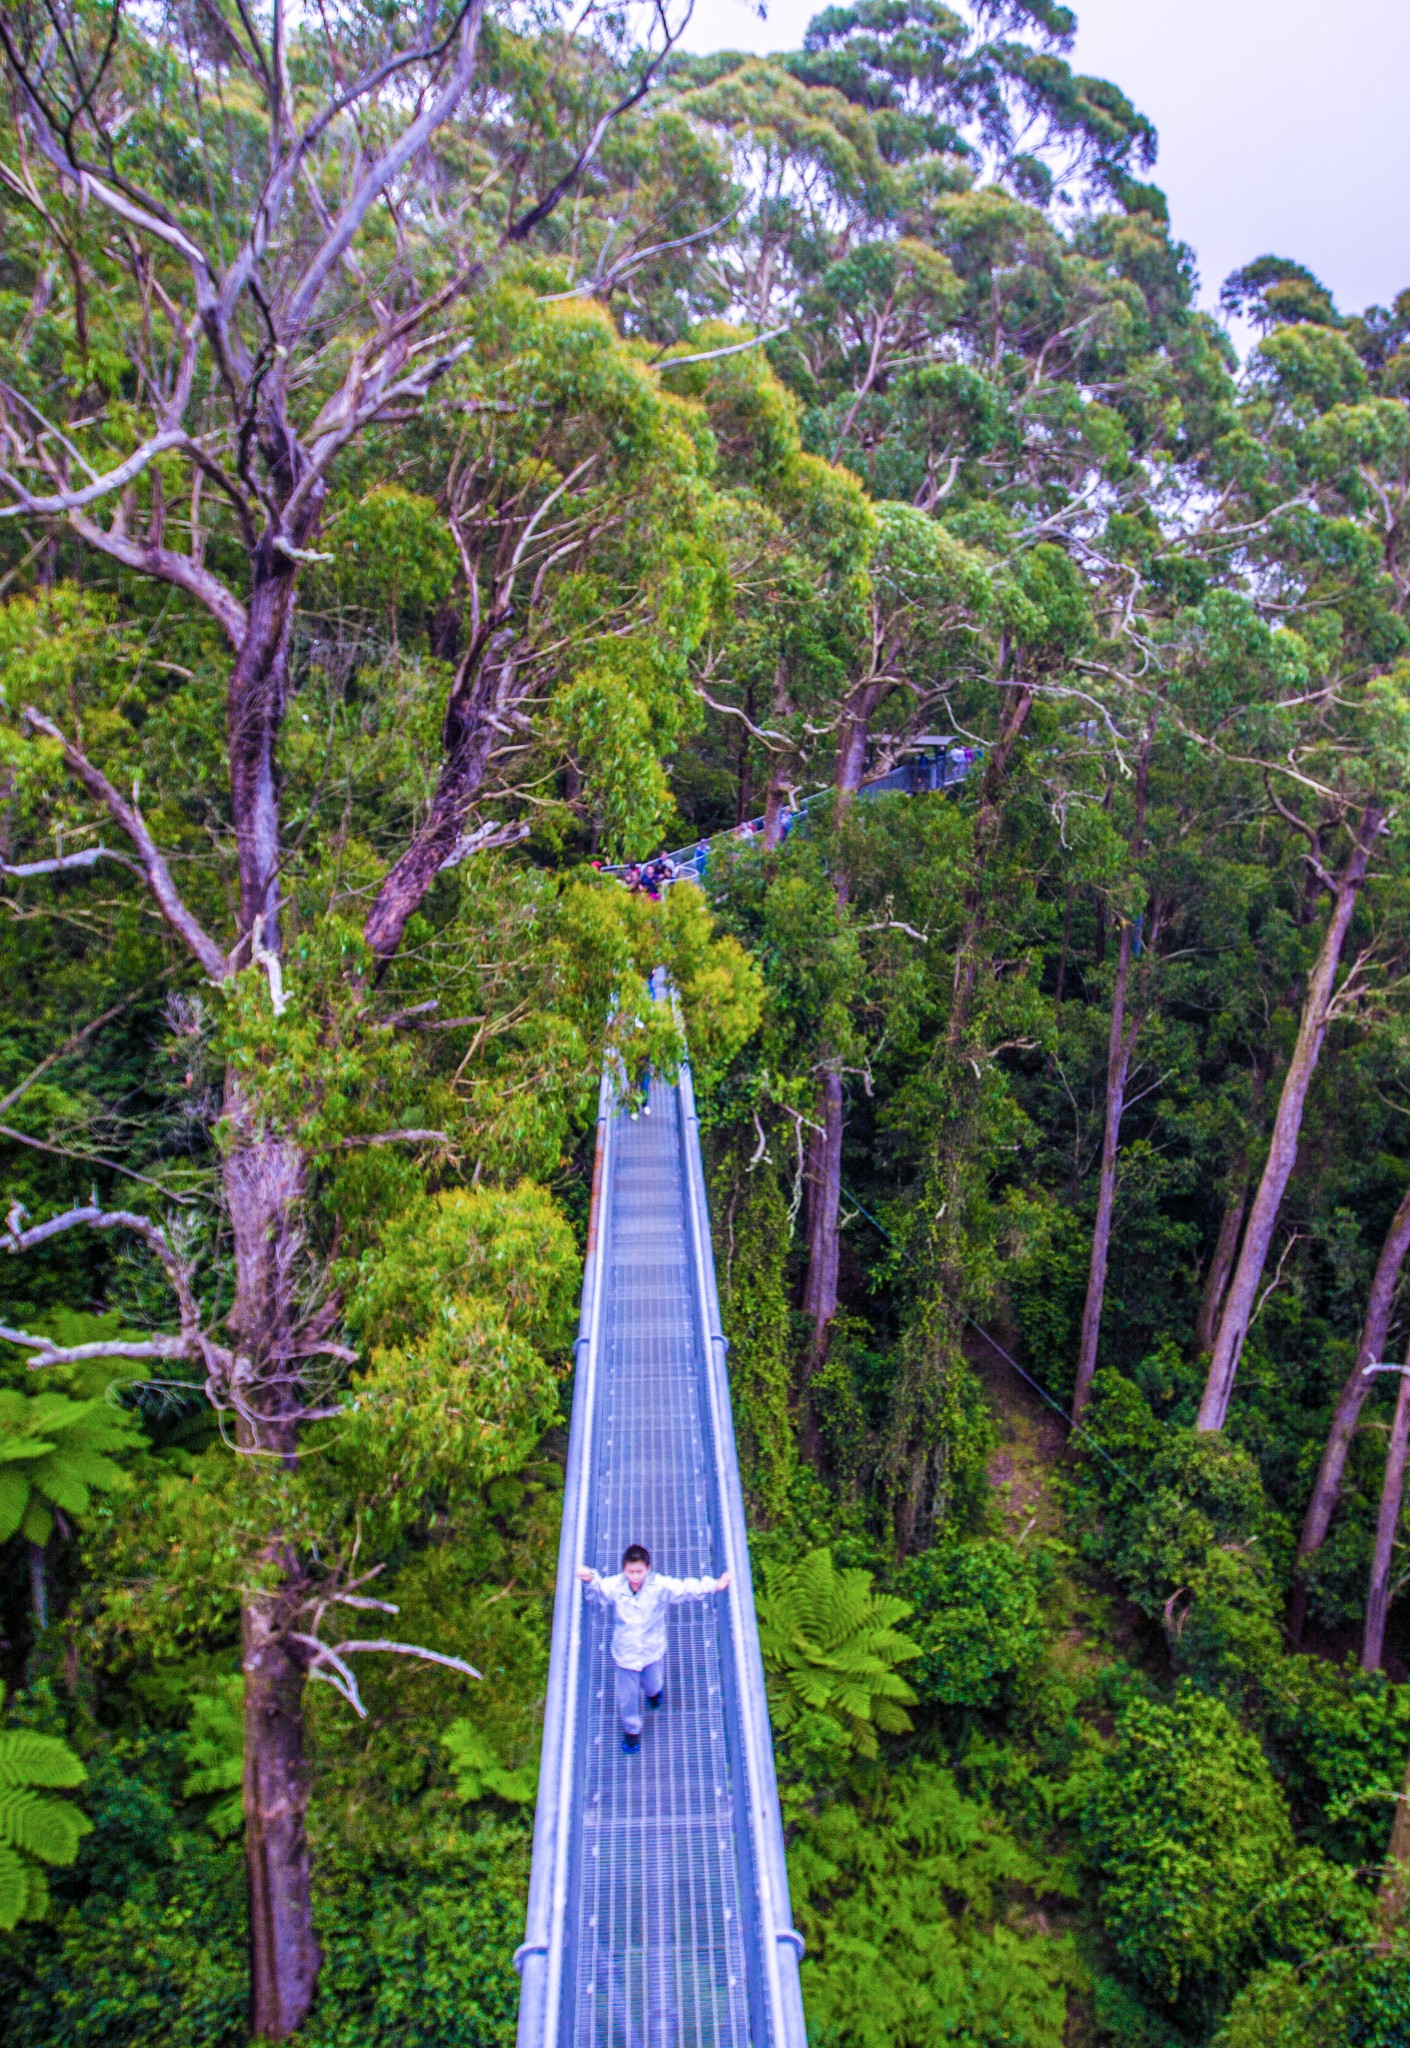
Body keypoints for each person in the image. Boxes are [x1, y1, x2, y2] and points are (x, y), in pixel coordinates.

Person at [577, 1544, 731, 1753]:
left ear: (648, 1569)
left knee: (654, 1682)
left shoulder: (659, 1586)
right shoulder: (615, 1586)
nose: (635, 1576)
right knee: (628, 1698)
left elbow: (685, 1589)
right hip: (626, 1654)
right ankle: (632, 1732)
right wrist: (589, 1578)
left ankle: (653, 1693)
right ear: (623, 1569)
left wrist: (715, 1585)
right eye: (630, 1571)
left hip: (652, 1650)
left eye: (639, 1571)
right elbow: (598, 1593)